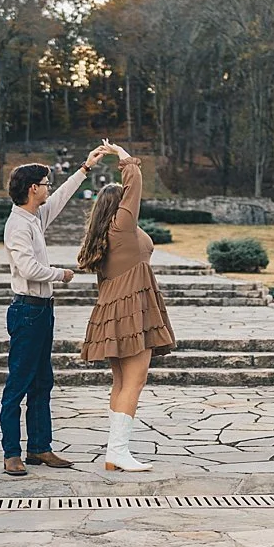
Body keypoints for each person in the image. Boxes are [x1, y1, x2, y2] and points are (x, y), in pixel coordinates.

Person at [1, 146, 115, 477]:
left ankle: (39, 447)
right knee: (19, 382)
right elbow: (28, 269)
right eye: (45, 183)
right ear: (32, 188)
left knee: (42, 382)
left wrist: (86, 168)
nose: (49, 187)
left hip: (42, 310)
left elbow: (62, 198)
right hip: (26, 311)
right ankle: (11, 453)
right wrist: (60, 274)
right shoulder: (17, 225)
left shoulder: (34, 217)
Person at [73, 144, 176, 471]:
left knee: (121, 382)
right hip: (132, 311)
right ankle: (117, 452)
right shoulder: (121, 226)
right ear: (119, 207)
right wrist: (122, 155)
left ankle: (115, 453)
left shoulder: (106, 233)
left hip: (115, 311)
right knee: (134, 381)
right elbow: (135, 184)